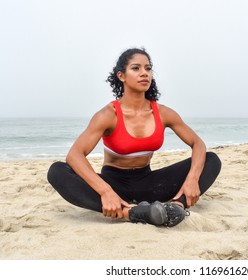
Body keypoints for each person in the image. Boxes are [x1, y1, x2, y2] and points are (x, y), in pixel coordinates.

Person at [47, 48, 221, 227]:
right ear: (121, 76)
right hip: (114, 184)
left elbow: (197, 143)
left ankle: (175, 206)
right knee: (57, 171)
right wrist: (106, 191)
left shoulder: (163, 113)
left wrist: (192, 179)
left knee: (211, 160)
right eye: (136, 68)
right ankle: (130, 212)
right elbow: (75, 155)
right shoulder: (108, 115)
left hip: (150, 184)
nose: (144, 73)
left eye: (148, 68)